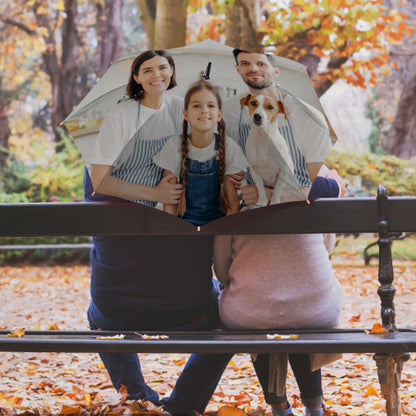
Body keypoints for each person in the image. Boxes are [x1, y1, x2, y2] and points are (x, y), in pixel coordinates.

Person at [84, 49, 231, 415]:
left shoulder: (98, 180)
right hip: (190, 309)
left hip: (115, 307)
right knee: (228, 316)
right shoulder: (201, 174)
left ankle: (136, 395)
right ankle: (183, 404)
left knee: (95, 310)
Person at [213, 48, 346, 416]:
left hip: (249, 311)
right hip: (315, 304)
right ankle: (315, 406)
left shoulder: (228, 176)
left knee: (256, 304)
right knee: (304, 301)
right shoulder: (314, 172)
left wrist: (264, 195)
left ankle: (277, 407)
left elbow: (222, 267)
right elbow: (327, 240)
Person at [223, 48, 344, 205]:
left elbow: (317, 189)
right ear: (238, 69)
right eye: (245, 63)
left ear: (276, 71)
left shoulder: (307, 115)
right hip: (251, 212)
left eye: (261, 63)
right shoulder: (228, 111)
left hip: (297, 216)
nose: (253, 68)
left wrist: (271, 195)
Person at [154, 81, 248, 225]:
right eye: (196, 106)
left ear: (219, 114)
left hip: (219, 223)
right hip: (183, 223)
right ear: (186, 114)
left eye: (210, 106)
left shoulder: (229, 146)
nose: (204, 110)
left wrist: (225, 237)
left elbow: (232, 204)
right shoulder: (173, 146)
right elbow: (170, 202)